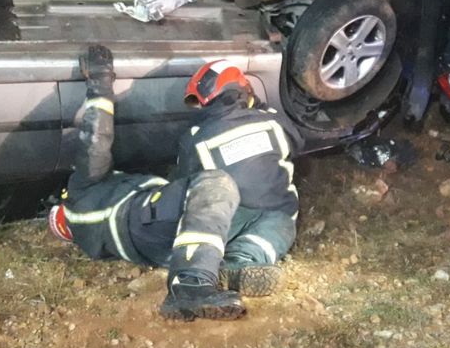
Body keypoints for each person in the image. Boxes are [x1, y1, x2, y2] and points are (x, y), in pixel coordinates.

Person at [48, 45, 245, 322]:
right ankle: (190, 286)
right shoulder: (80, 192)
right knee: (216, 185)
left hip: (149, 245)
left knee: (211, 219)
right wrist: (100, 82)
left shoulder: (88, 236)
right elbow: (95, 142)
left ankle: (205, 274)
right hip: (137, 218)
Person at [171, 60, 304, 297]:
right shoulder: (273, 122)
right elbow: (298, 145)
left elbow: (185, 183)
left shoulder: (196, 138)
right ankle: (243, 260)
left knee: (209, 221)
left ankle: (215, 265)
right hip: (278, 211)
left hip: (228, 217)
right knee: (277, 231)